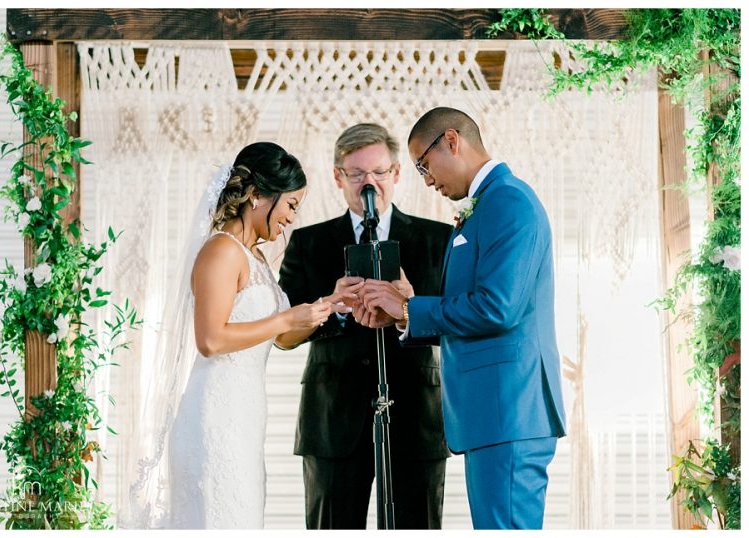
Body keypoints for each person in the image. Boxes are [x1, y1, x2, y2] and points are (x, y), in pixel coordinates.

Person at [360, 108, 567, 529]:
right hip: (494, 413)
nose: (427, 180)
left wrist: (410, 309)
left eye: (423, 165)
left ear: (451, 141)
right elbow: (479, 307)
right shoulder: (488, 204)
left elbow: (497, 307)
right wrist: (407, 313)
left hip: (509, 410)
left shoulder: (508, 201)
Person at [125, 142, 347, 529]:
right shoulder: (221, 251)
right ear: (258, 195)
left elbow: (280, 338)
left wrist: (325, 306)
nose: (292, 219)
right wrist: (284, 319)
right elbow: (210, 340)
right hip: (215, 415)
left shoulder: (255, 258)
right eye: (291, 205)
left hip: (244, 416)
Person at [276, 123, 452, 529]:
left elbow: (456, 324)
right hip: (332, 421)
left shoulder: (438, 239)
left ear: (396, 173)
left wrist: (411, 310)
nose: (368, 183)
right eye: (356, 174)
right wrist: (332, 309)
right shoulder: (307, 243)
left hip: (416, 418)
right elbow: (282, 336)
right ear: (338, 177)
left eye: (378, 172)